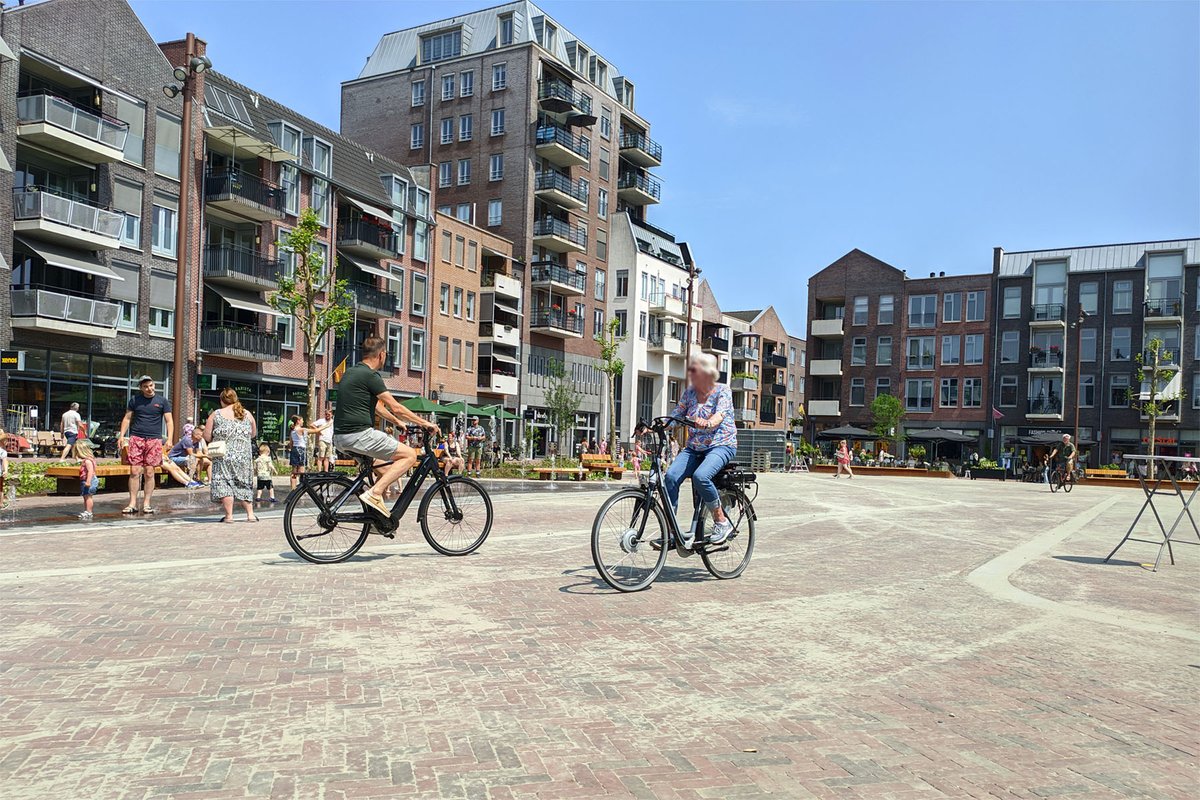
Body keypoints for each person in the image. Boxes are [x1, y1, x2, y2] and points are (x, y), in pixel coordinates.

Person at [332, 336, 439, 517]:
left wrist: (396, 422)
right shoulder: (370, 375)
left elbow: (377, 407)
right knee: (410, 455)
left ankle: (376, 518)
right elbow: (396, 406)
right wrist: (425, 422)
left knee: (385, 470)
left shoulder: (351, 372)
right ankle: (374, 494)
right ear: (381, 355)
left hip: (340, 438)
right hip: (359, 435)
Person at [653, 351, 739, 547]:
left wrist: (707, 423)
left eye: (695, 370)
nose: (691, 373)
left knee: (701, 477)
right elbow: (676, 415)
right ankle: (671, 531)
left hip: (721, 444)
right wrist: (654, 426)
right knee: (671, 477)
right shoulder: (690, 393)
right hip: (694, 447)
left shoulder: (723, 391)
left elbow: (719, 415)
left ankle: (721, 521)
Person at [116, 375, 173, 515]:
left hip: (154, 439)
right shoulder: (135, 400)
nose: (149, 388)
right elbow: (127, 418)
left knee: (149, 471)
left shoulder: (162, 401)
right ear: (141, 388)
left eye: (151, 385)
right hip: (137, 437)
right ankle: (132, 503)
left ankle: (147, 503)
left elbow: (169, 421)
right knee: (134, 471)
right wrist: (121, 435)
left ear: (154, 385)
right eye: (146, 386)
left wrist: (170, 439)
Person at [200, 387, 258, 523]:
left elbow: (207, 437)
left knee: (225, 484)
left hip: (223, 456)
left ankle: (229, 516)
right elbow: (253, 434)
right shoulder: (247, 414)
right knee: (243, 484)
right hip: (243, 457)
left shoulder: (216, 414)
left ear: (222, 400)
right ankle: (250, 515)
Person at [75, 441, 99, 520]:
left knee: (88, 497)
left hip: (89, 480)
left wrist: (88, 481)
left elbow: (90, 472)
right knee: (86, 496)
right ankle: (87, 511)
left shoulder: (88, 461)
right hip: (86, 480)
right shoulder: (87, 460)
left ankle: (89, 511)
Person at [310, 405, 335, 473]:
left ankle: (326, 471)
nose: (327, 416)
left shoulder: (332, 421)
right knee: (321, 456)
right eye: (326, 414)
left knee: (327, 457)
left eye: (329, 414)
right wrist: (318, 431)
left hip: (329, 441)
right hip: (322, 440)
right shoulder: (322, 421)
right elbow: (312, 424)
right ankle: (319, 471)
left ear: (331, 415)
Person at [288, 415, 308, 491]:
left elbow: (291, 443)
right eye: (302, 420)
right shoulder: (301, 429)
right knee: (302, 471)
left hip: (294, 449)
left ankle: (293, 489)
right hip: (301, 450)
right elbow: (316, 431)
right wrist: (328, 425)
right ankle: (302, 489)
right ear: (298, 421)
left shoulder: (292, 431)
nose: (303, 422)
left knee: (294, 471)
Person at [0, 428, 9, 509]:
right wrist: (5, 471)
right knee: (0, 489)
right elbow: (4, 461)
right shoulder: (2, 451)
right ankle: (1, 503)